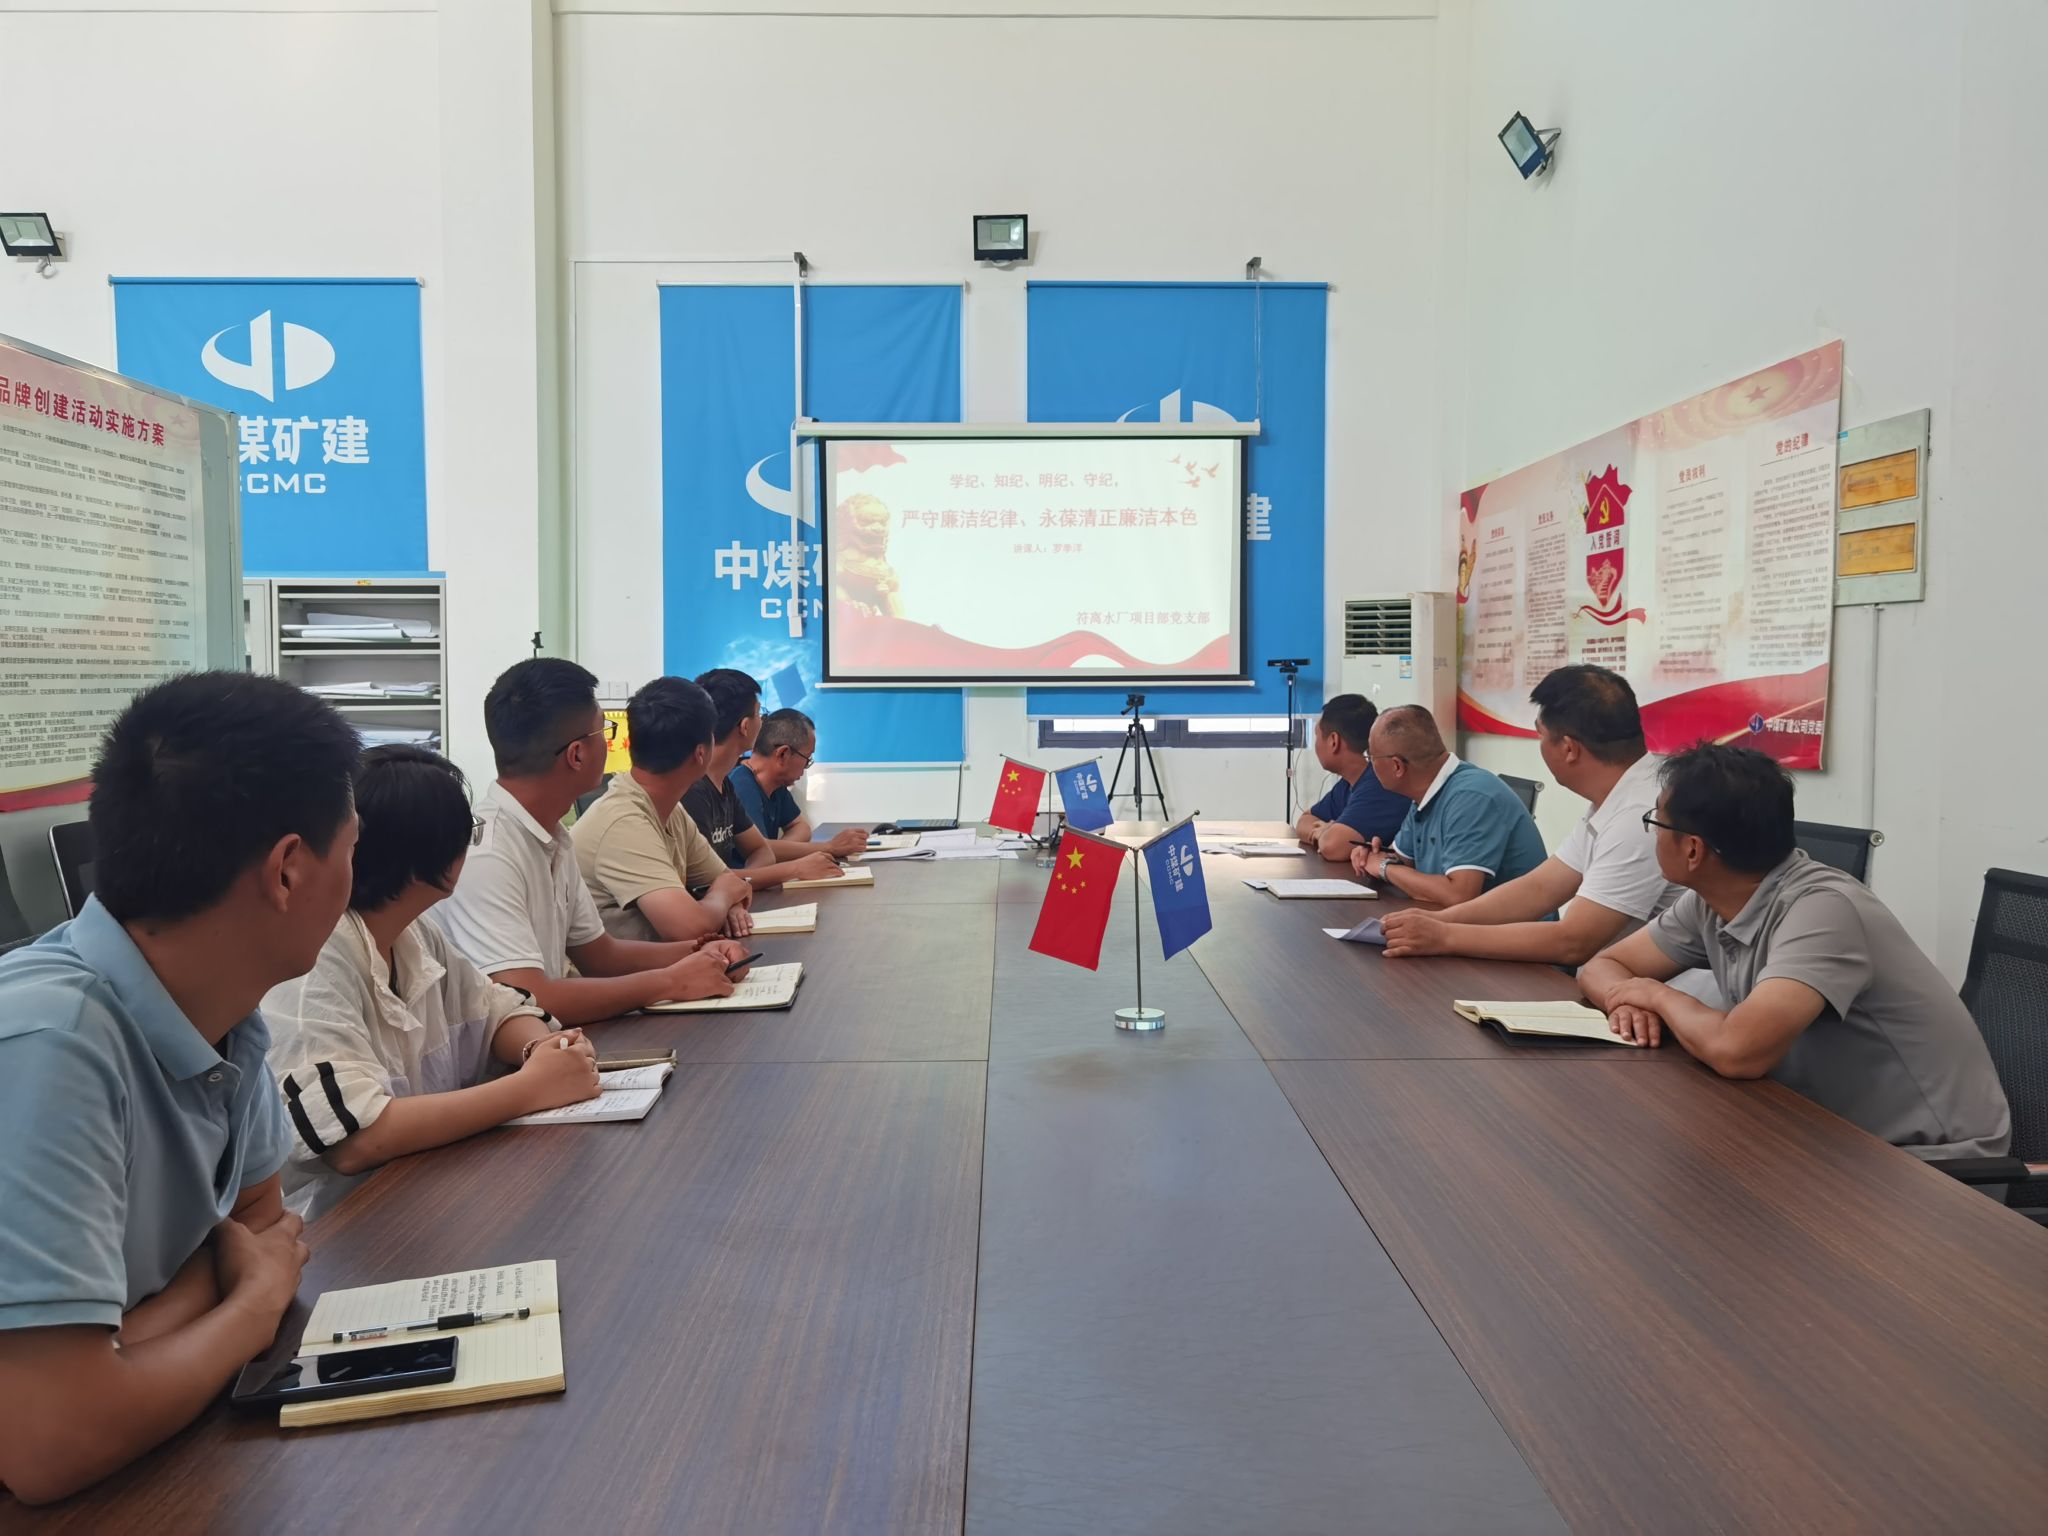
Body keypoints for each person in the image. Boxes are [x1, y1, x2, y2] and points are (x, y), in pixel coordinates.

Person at [0, 673, 351, 1504]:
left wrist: (121, 1349)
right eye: (352, 846)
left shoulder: (225, 1014)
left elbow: (263, 1230)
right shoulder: (52, 1043)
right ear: (288, 872)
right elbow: (49, 1440)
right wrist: (247, 1307)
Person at [1579, 744, 2010, 1161]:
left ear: (1693, 849)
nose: (1653, 834)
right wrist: (1626, 1002)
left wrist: (1654, 995)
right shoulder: (1710, 901)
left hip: (1934, 1162)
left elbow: (1737, 1051)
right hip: (1822, 1131)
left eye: (1656, 822)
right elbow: (1604, 964)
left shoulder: (1825, 911)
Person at [265, 746, 603, 1219]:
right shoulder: (313, 963)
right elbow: (355, 1141)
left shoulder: (413, 934)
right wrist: (531, 1087)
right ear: (438, 858)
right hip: (337, 1230)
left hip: (420, 1197)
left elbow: (498, 1007)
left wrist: (541, 1051)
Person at [433, 658, 750, 1025]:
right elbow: (527, 998)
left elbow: (601, 956)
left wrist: (703, 952)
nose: (610, 743)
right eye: (604, 730)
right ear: (577, 754)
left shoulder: (551, 835)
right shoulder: (488, 854)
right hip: (511, 1054)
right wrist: (670, 981)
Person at [1379, 666, 1676, 963]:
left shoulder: (1640, 816)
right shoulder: (1618, 795)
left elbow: (1573, 942)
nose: (1540, 746)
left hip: (1648, 986)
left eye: (1540, 735)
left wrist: (1444, 935)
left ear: (1569, 749)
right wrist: (1439, 920)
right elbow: (1540, 888)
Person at [574, 677, 760, 942]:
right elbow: (690, 927)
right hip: (624, 968)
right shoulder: (623, 822)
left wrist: (729, 901)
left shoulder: (669, 809)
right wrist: (724, 896)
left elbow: (727, 880)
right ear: (701, 754)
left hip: (666, 961)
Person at [1349, 703, 1547, 904]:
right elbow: (1402, 860)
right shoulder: (1425, 793)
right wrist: (1372, 856)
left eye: (1371, 757)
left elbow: (1459, 894)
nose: (1370, 764)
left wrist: (1384, 867)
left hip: (1514, 923)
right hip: (1458, 919)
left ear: (1397, 766)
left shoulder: (1471, 797)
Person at [684, 669, 850, 889]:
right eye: (759, 713)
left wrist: (746, 883)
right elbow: (706, 880)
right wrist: (795, 868)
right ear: (745, 726)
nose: (763, 721)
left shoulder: (724, 785)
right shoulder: (692, 790)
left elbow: (761, 850)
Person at [730, 707, 868, 857]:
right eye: (807, 758)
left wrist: (780, 850)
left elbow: (801, 827)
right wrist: (830, 847)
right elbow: (758, 850)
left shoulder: (776, 785)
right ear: (783, 754)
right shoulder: (741, 786)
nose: (806, 766)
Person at [1293, 693, 1410, 861]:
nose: (1316, 744)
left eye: (1317, 735)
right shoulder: (1348, 783)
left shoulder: (1380, 785)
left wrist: (1327, 832)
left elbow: (1332, 847)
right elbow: (1304, 821)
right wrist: (1326, 830)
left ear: (1333, 741)